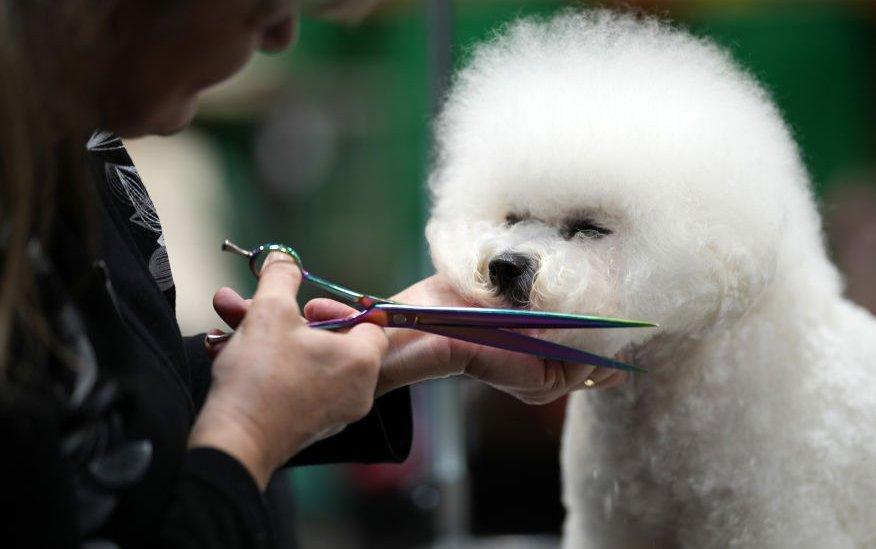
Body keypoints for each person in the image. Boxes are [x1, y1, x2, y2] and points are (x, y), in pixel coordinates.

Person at [0, 1, 627, 547]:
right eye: (263, 8)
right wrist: (248, 431)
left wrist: (410, 340)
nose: (280, 39)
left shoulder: (71, 155)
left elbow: (110, 426)